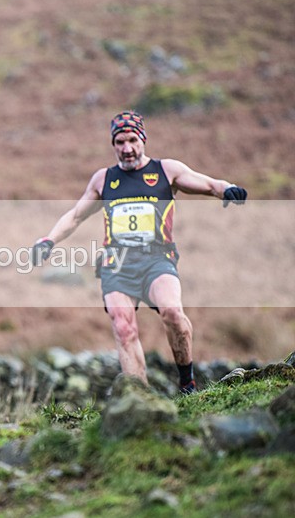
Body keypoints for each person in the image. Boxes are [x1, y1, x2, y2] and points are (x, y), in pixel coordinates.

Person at [30, 110, 247, 394]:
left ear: (143, 139)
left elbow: (206, 183)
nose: (127, 148)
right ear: (113, 144)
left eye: (133, 140)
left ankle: (187, 383)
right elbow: (75, 216)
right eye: (120, 142)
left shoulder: (165, 170)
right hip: (117, 264)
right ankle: (140, 401)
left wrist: (226, 189)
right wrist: (48, 240)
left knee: (172, 313)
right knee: (123, 326)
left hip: (158, 258)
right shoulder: (103, 179)